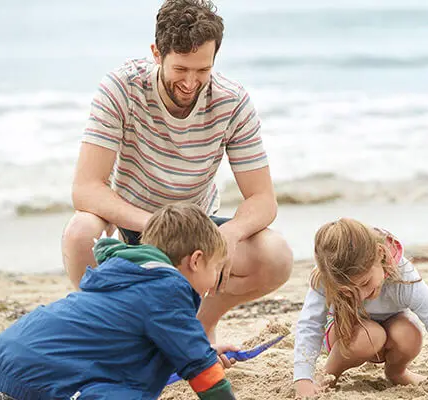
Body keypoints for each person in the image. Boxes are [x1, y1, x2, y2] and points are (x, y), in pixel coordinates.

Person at [61, 0, 293, 342]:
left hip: (195, 231)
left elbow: (262, 199)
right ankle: (117, 333)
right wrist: (155, 225)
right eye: (181, 69)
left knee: (277, 256)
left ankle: (200, 323)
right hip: (132, 225)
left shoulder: (232, 101)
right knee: (80, 232)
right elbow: (86, 189)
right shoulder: (121, 87)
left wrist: (230, 233)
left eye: (203, 70)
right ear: (157, 53)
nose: (190, 82)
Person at [0, 203, 238, 400]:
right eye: (216, 267)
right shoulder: (169, 288)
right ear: (196, 260)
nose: (215, 279)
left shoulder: (127, 276)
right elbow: (200, 368)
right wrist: (204, 362)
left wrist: (204, 353)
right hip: (29, 383)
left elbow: (142, 348)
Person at [292, 218, 428, 398]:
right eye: (348, 291)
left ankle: (396, 372)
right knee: (371, 334)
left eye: (365, 283)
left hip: (390, 332)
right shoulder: (327, 275)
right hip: (346, 335)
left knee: (409, 332)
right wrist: (303, 379)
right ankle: (329, 375)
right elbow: (310, 325)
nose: (361, 296)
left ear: (381, 254)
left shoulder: (404, 275)